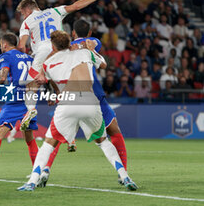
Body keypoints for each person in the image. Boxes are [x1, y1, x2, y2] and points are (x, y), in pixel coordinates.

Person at [17, 30, 137, 191]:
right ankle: (125, 176)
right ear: (69, 43)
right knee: (103, 142)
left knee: (48, 144)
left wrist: (41, 97)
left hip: (68, 102)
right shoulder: (85, 54)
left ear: (53, 46)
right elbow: (104, 64)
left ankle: (32, 181)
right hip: (91, 102)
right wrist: (90, 49)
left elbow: (47, 83)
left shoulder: (48, 63)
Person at [16, 0, 108, 131]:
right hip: (61, 50)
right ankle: (63, 108)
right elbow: (76, 6)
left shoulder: (27, 22)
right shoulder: (55, 11)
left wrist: (24, 56)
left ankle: (31, 109)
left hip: (42, 52)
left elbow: (21, 46)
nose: (23, 16)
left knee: (31, 85)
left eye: (22, 13)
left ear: (27, 9)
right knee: (59, 83)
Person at [0, 33, 52, 180]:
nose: (1, 47)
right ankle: (38, 171)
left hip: (15, 99)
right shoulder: (30, 58)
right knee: (29, 137)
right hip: (30, 100)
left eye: (1, 45)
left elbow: (2, 78)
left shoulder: (6, 56)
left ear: (5, 44)